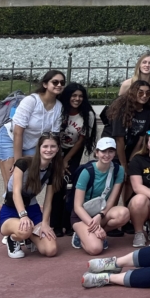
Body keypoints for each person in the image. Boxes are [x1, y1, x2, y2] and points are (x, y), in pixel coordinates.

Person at [0, 131, 64, 259]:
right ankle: (13, 239)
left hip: (32, 209)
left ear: (57, 149)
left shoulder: (53, 170)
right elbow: (16, 192)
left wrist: (45, 223)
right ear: (39, 148)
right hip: (12, 209)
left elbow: (48, 201)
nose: (49, 150)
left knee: (50, 250)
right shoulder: (23, 163)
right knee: (25, 230)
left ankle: (30, 238)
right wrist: (23, 216)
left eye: (53, 146)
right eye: (45, 146)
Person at [71, 137, 130, 255]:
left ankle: (98, 233)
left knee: (124, 213)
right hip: (82, 215)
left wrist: (100, 215)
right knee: (95, 249)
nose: (107, 155)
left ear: (115, 153)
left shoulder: (118, 170)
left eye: (111, 151)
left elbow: (111, 201)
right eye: (103, 151)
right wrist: (95, 226)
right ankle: (83, 234)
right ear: (97, 153)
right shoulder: (87, 171)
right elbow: (77, 207)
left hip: (101, 212)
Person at [52, 83, 97, 236]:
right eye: (74, 95)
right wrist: (59, 159)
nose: (77, 99)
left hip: (73, 152)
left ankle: (69, 223)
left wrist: (66, 160)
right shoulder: (59, 110)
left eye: (80, 96)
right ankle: (55, 224)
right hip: (55, 150)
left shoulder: (87, 115)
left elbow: (81, 140)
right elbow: (54, 136)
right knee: (57, 187)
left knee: (71, 187)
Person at [11, 70, 65, 164]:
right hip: (11, 139)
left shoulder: (59, 106)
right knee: (14, 172)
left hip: (33, 144)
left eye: (62, 82)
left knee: (37, 169)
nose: (59, 85)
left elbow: (54, 136)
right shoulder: (31, 100)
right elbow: (18, 132)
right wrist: (18, 162)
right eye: (55, 82)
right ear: (45, 84)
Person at [104, 80, 150, 166]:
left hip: (131, 149)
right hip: (112, 149)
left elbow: (141, 139)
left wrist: (131, 162)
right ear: (133, 93)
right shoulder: (121, 109)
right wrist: (124, 165)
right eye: (140, 92)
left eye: (148, 93)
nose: (144, 96)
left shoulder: (148, 112)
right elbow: (119, 140)